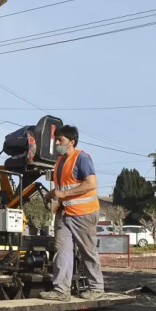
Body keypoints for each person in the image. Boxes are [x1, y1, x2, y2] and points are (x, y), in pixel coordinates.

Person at [41, 125, 104, 301]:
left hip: (84, 213)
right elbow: (62, 187)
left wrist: (63, 194)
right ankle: (61, 291)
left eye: (60, 140)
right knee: (62, 251)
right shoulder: (60, 161)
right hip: (65, 213)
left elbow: (91, 183)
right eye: (56, 140)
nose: (57, 143)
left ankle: (96, 288)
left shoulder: (82, 158)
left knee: (87, 251)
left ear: (72, 142)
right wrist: (51, 194)